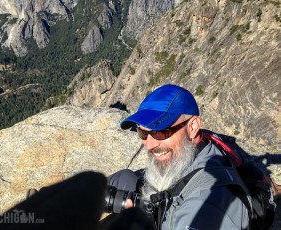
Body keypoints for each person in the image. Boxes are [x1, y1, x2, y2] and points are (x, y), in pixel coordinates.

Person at [107, 84, 281, 230]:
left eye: (161, 132)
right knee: (121, 179)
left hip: (175, 215)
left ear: (193, 127)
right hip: (165, 207)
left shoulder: (207, 203)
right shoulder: (202, 142)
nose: (150, 145)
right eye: (142, 133)